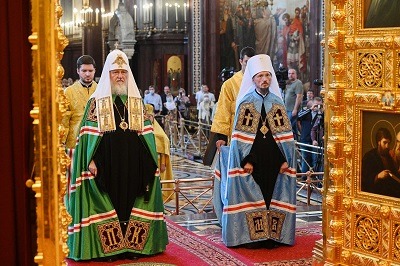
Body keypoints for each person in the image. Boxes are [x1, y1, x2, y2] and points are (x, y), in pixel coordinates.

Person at [66, 49, 168, 261]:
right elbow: (87, 138)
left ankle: (132, 246)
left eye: (123, 71)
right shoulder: (97, 102)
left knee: (131, 202)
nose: (120, 76)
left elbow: (148, 135)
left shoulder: (135, 102)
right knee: (109, 201)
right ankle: (109, 249)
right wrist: (90, 160)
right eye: (115, 72)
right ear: (107, 74)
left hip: (133, 163)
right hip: (106, 164)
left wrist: (151, 160)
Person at [214, 54, 297, 248]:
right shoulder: (246, 104)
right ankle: (254, 237)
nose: (264, 80)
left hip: (275, 162)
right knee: (254, 197)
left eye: (267, 76)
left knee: (271, 197)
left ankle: (272, 236)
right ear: (253, 79)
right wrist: (247, 160)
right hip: (252, 162)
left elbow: (285, 138)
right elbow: (240, 140)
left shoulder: (277, 103)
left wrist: (285, 160)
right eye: (260, 76)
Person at [61, 55, 98, 192]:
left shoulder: (102, 90)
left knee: (94, 182)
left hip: (96, 140)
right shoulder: (68, 92)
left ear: (95, 71)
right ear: (78, 71)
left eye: (90, 71)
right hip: (74, 140)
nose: (87, 74)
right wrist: (61, 143)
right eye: (84, 71)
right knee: (75, 181)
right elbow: (64, 119)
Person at [211, 47, 256, 150]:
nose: (249, 66)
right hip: (236, 130)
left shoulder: (259, 82)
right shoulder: (229, 84)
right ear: (241, 61)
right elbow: (223, 111)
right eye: (246, 62)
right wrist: (222, 136)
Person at [145, 104, 174, 202]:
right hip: (146, 162)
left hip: (157, 162)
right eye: (146, 117)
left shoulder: (159, 132)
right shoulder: (143, 131)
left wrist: (162, 164)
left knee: (158, 184)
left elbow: (163, 149)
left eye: (150, 116)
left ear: (153, 117)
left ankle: (158, 201)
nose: (149, 119)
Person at [362, 127, 400, 198]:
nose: (387, 146)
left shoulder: (389, 156)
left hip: (389, 192)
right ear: (378, 142)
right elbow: (363, 180)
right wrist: (378, 176)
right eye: (385, 142)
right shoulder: (369, 157)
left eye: (388, 143)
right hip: (376, 194)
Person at [284, 68, 303, 140]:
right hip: (287, 109)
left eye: (292, 73)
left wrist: (295, 109)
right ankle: (296, 142)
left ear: (296, 75)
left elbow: (299, 97)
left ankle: (292, 142)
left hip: (292, 110)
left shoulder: (298, 83)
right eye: (289, 73)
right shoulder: (289, 83)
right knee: (293, 128)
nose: (290, 75)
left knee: (288, 127)